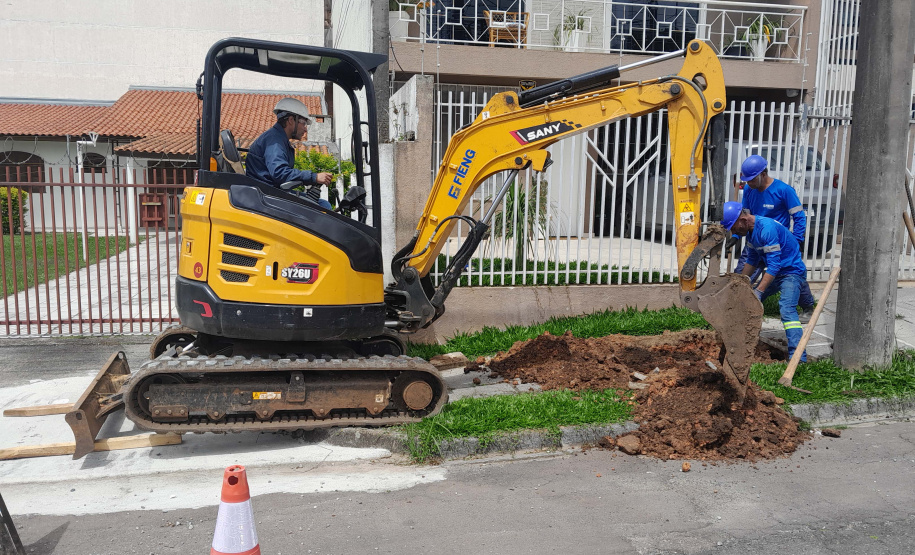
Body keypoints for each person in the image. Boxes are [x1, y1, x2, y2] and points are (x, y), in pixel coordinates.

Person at [721, 201, 808, 363]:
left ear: (743, 220)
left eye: (734, 227)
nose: (734, 232)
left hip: (791, 272)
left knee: (787, 309)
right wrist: (742, 283)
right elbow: (752, 260)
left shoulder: (766, 229)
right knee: (750, 299)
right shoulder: (752, 232)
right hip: (777, 272)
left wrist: (759, 291)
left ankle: (799, 358)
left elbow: (774, 266)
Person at [734, 154, 815, 322]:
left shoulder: (783, 190)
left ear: (763, 173)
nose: (749, 183)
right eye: (747, 180)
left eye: (752, 179)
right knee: (742, 274)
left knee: (790, 273)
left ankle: (808, 306)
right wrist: (736, 233)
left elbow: (799, 216)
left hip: (777, 242)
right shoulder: (749, 190)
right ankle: (737, 307)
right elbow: (744, 214)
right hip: (755, 241)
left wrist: (796, 240)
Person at [245, 97, 333, 209]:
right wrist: (314, 177)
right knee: (323, 207)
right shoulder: (274, 141)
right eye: (303, 123)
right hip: (267, 197)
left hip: (269, 193)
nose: (305, 129)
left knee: (320, 204)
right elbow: (279, 172)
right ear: (291, 120)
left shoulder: (278, 139)